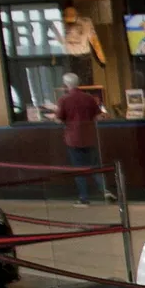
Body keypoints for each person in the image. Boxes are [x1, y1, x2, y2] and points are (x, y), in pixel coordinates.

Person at [49, 73, 112, 206]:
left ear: (66, 85)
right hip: (89, 137)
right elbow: (98, 116)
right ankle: (105, 191)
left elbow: (59, 120)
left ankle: (84, 198)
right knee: (95, 166)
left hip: (73, 139)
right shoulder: (89, 98)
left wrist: (52, 116)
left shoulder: (64, 100)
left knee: (79, 169)